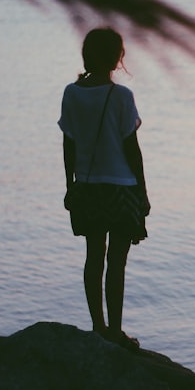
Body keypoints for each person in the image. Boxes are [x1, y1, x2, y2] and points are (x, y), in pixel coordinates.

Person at [58, 27, 149, 349]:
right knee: (117, 262)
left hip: (89, 187)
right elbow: (131, 148)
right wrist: (143, 192)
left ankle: (98, 328)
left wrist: (70, 183)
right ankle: (116, 331)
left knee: (93, 257)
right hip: (122, 187)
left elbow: (68, 143)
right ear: (117, 58)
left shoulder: (71, 92)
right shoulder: (121, 96)